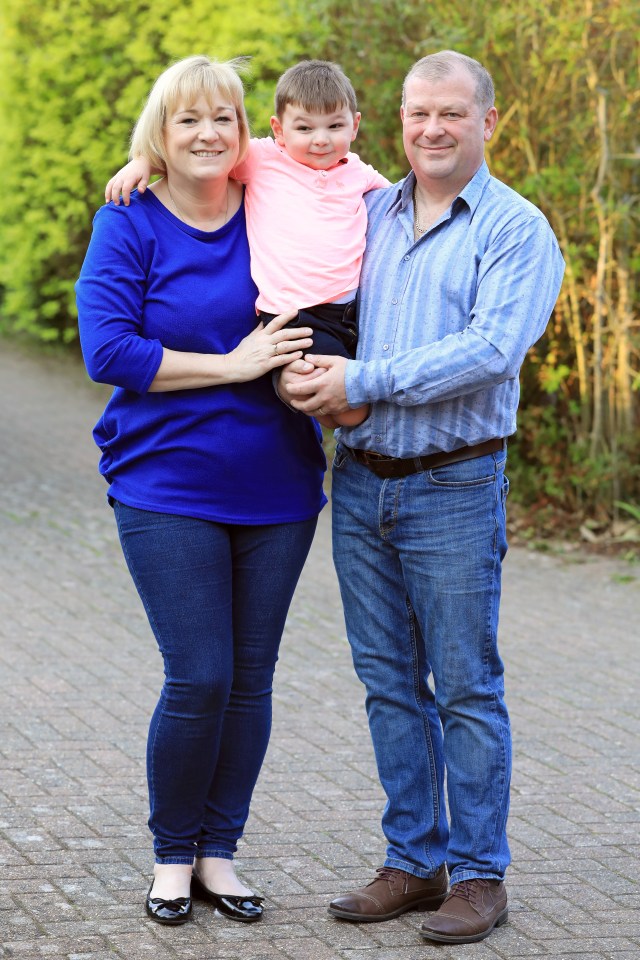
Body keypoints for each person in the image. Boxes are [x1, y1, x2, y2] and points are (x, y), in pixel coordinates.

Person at [280, 50, 565, 945]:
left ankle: (481, 875)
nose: (433, 130)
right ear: (395, 123)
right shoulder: (368, 210)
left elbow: (489, 351)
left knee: (466, 689)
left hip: (453, 485)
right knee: (387, 685)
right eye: (418, 115)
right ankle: (413, 861)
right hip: (361, 486)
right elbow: (262, 185)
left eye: (451, 113)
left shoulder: (517, 230)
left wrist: (366, 377)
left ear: (488, 121)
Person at [76, 55, 326, 927]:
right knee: (200, 676)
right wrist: (233, 366)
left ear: (245, 129)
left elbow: (337, 177)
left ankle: (221, 852)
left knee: (251, 680)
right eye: (187, 121)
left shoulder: (273, 205)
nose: (209, 133)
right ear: (160, 133)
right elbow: (107, 351)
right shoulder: (130, 224)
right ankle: (171, 857)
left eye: (224, 116)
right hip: (166, 482)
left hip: (281, 487)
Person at [104, 59, 390, 429]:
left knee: (345, 409)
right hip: (291, 315)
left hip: (348, 314)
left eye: (334, 126)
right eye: (304, 127)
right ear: (279, 129)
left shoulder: (357, 172)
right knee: (352, 411)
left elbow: (401, 204)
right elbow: (198, 157)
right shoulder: (265, 161)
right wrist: (144, 161)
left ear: (354, 125)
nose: (320, 139)